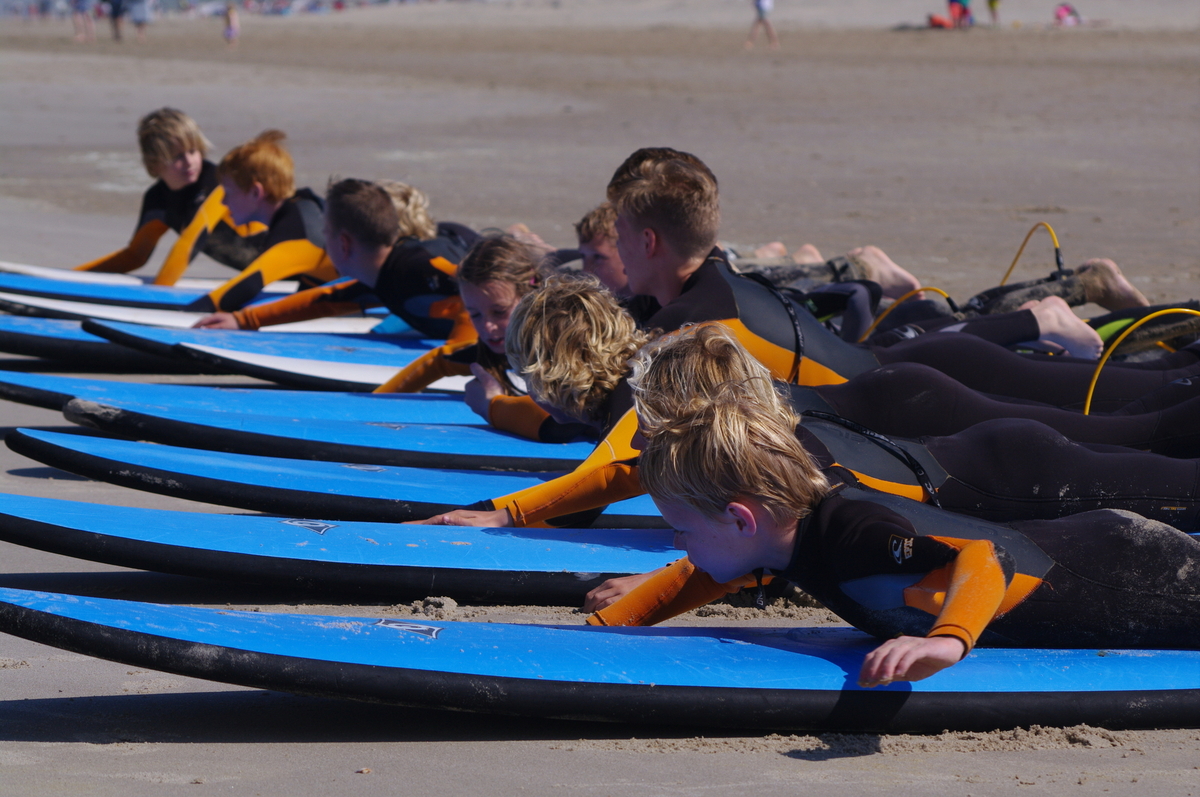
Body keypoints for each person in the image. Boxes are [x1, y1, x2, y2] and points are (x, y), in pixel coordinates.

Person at [590, 325, 1200, 687]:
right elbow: (708, 573)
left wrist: (948, 642)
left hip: (1130, 572)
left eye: (680, 529)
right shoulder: (786, 538)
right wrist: (605, 629)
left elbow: (983, 559)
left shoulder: (851, 531)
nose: (677, 546)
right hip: (1103, 556)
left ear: (741, 517)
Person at [194, 177, 477, 339]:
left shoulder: (422, 265)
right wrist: (243, 320)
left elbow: (493, 284)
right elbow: (324, 300)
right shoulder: (380, 276)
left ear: (342, 244)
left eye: (325, 232)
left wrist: (463, 354)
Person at [74, 107, 268, 284]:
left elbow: (191, 241)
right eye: (177, 157)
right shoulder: (157, 200)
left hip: (287, 260)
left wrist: (158, 293)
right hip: (272, 273)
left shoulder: (218, 185)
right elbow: (135, 256)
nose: (189, 162)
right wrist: (75, 276)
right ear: (155, 164)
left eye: (193, 151)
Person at [185, 130, 336, 313]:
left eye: (228, 193)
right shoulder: (302, 206)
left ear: (256, 192)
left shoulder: (296, 236)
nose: (223, 202)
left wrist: (182, 315)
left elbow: (241, 289)